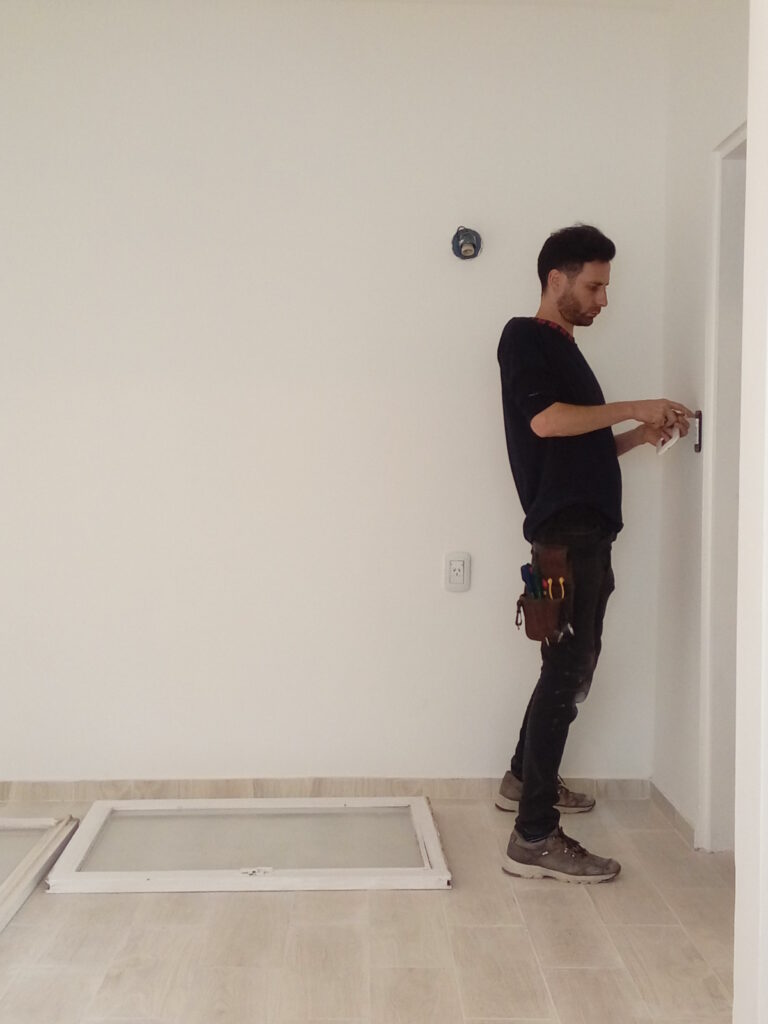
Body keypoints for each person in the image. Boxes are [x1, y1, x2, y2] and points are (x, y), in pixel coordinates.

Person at [496, 224, 692, 883]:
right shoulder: (526, 338)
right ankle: (534, 835)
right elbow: (546, 422)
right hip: (565, 541)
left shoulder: (564, 351)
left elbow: (577, 447)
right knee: (567, 672)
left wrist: (638, 433)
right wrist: (633, 403)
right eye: (594, 286)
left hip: (576, 535)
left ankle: (522, 780)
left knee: (563, 667)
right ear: (557, 279)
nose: (604, 300)